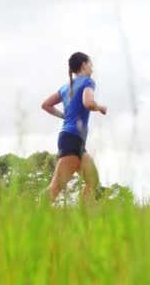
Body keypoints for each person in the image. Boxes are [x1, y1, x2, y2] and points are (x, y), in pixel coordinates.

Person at [41, 52, 107, 202]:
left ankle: (83, 217)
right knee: (55, 188)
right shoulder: (88, 82)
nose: (92, 69)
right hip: (71, 140)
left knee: (93, 180)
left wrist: (64, 116)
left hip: (73, 140)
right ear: (84, 65)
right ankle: (30, 216)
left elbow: (46, 105)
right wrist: (99, 107)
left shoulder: (65, 88)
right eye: (91, 64)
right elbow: (88, 103)